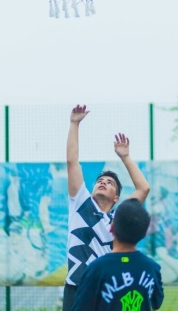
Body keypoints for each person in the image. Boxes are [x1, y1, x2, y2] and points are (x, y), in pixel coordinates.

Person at [62, 104, 151, 311]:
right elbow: (72, 162)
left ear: (116, 197)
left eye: (109, 183)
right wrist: (74, 123)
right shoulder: (80, 203)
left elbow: (143, 188)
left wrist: (125, 157)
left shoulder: (119, 218)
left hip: (107, 290)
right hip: (76, 288)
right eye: (100, 181)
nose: (103, 182)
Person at [71, 198, 164, 311]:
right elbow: (156, 303)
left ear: (112, 228)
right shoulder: (152, 268)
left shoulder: (97, 268)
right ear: (144, 233)